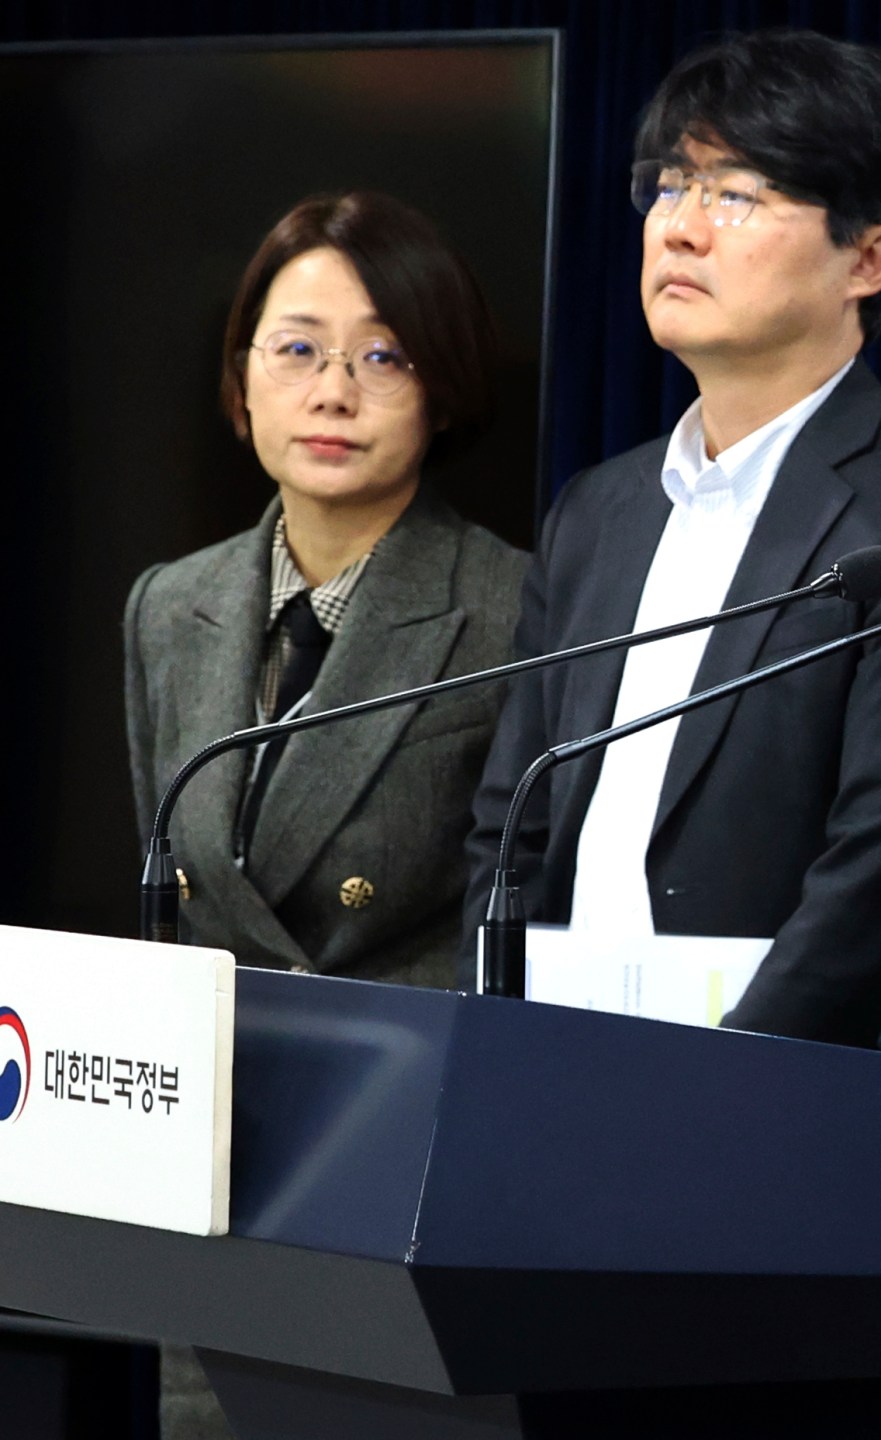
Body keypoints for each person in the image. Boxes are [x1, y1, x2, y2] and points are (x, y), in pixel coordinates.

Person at [463, 30, 881, 1045]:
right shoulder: (600, 510)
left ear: (869, 257)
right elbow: (509, 825)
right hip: (549, 1066)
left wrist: (727, 1078)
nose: (680, 229)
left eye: (735, 195)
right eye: (671, 186)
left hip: (776, 1096)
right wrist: (502, 1036)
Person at [124, 188, 524, 1440]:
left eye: (382, 355)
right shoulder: (167, 606)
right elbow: (171, 908)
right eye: (295, 348)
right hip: (218, 1177)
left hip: (406, 1178)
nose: (333, 390)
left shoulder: (519, 606)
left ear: (444, 385)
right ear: (241, 384)